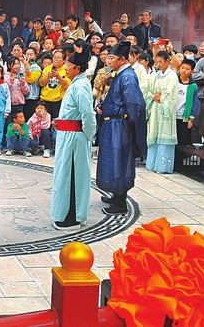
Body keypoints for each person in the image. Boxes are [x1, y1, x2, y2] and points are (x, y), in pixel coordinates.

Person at [95, 42, 147, 215]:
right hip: (113, 124)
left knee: (120, 161)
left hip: (120, 127)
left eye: (112, 58)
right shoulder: (121, 74)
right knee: (112, 161)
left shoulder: (128, 77)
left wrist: (127, 123)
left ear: (123, 59)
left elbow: (134, 104)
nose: (108, 61)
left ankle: (120, 203)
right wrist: (105, 107)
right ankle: (116, 196)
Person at [50, 49, 97, 228]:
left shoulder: (81, 85)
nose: (66, 68)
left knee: (71, 175)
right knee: (65, 174)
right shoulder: (76, 84)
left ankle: (71, 217)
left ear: (78, 68)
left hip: (75, 138)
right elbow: (74, 111)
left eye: (69, 65)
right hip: (68, 134)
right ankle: (70, 213)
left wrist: (88, 134)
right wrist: (62, 122)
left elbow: (87, 114)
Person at [145, 51, 179, 173]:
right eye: (156, 62)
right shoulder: (155, 75)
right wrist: (153, 96)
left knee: (164, 135)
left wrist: (162, 97)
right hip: (155, 107)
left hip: (165, 110)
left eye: (161, 62)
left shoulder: (172, 76)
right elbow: (148, 89)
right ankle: (152, 164)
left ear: (168, 61)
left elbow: (170, 92)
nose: (158, 65)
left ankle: (163, 167)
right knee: (154, 133)